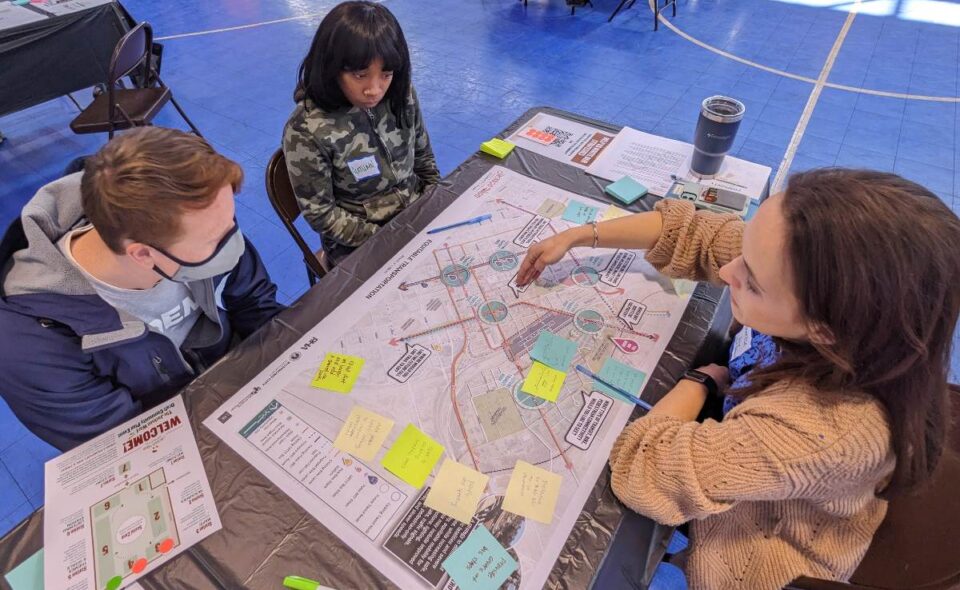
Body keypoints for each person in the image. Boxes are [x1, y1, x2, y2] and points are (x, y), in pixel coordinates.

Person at [516, 168, 960, 589]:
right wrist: (579, 236)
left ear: (823, 329)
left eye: (753, 281)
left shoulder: (822, 429)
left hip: (761, 551)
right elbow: (694, 232)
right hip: (762, 452)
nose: (729, 271)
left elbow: (644, 468)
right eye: (746, 251)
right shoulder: (836, 302)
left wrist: (702, 380)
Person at [0, 127, 284, 450]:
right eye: (214, 240)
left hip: (234, 385)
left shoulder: (191, 225)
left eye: (231, 221)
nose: (234, 242)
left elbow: (258, 308)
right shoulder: (30, 343)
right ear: (143, 254)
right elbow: (123, 445)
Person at [283, 0, 440, 265]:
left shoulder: (401, 95)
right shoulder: (306, 130)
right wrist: (383, 238)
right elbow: (322, 214)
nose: (375, 89)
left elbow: (423, 158)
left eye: (386, 74)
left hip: (414, 214)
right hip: (357, 240)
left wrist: (437, 200)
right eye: (360, 75)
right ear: (332, 68)